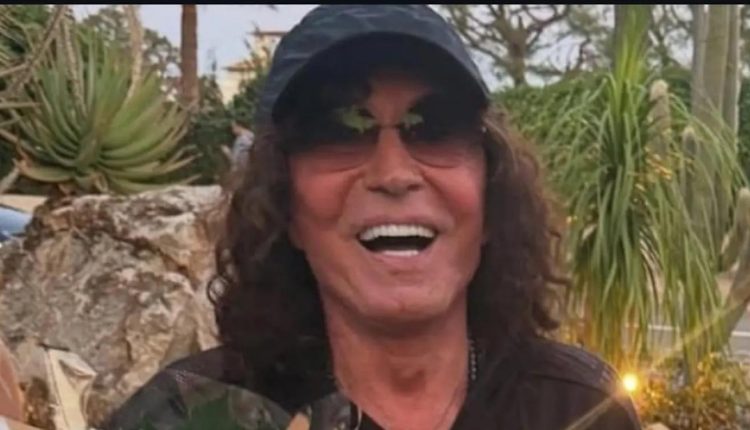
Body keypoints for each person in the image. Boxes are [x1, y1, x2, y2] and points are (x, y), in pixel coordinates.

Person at [103, 5, 642, 430]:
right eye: (340, 131)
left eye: (434, 126)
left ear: (491, 195)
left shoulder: (579, 411)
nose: (394, 173)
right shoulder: (191, 415)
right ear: (283, 205)